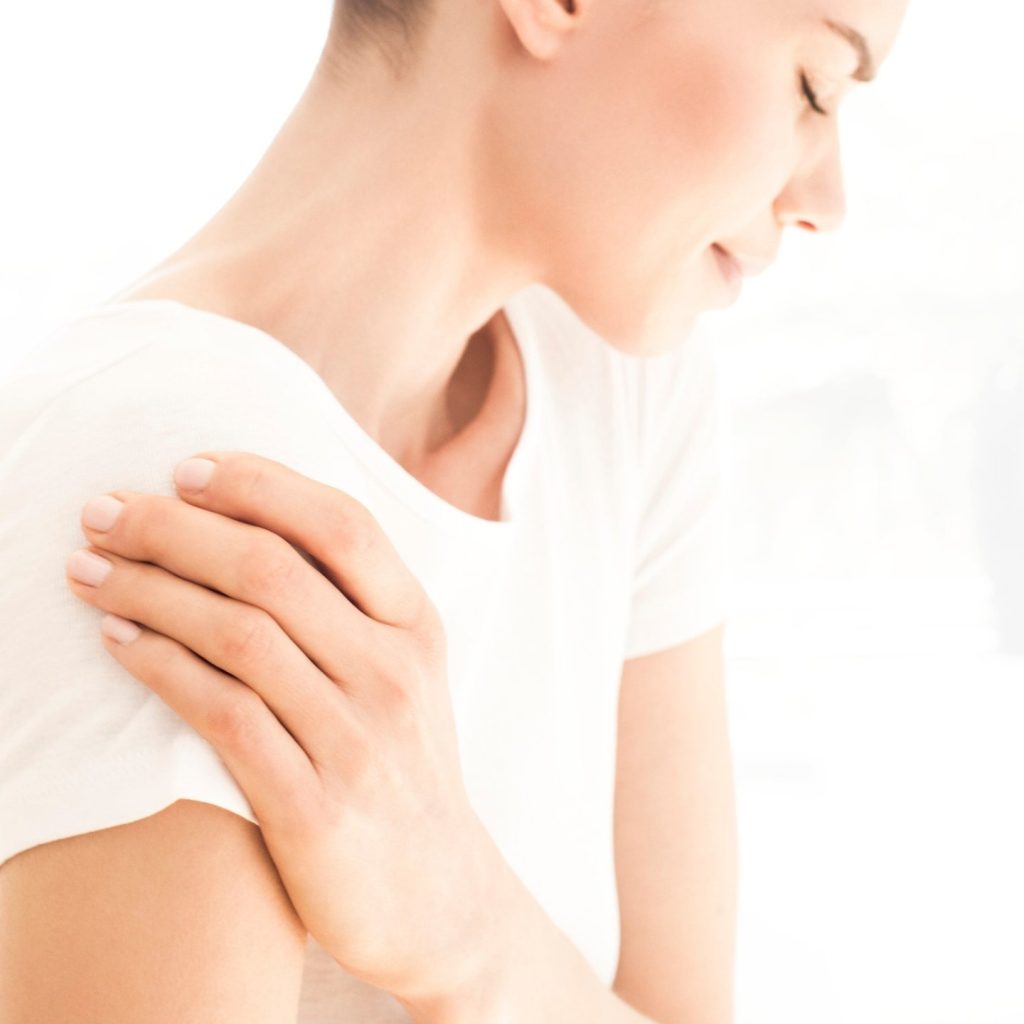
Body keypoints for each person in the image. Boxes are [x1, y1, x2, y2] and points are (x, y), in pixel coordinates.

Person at [0, 0, 908, 1020]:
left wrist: (469, 934)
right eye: (814, 86)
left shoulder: (618, 394)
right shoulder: (170, 467)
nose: (825, 199)